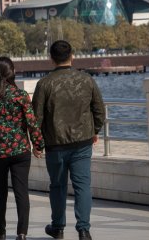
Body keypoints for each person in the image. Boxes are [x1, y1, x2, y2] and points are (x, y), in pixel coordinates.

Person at [32, 41, 105, 240]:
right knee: (82, 186)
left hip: (55, 144)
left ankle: (58, 227)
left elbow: (35, 118)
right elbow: (99, 110)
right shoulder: (87, 80)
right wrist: (94, 130)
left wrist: (36, 143)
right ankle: (83, 230)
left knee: (57, 186)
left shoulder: (44, 84)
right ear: (72, 56)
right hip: (82, 142)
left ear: (51, 58)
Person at [0, 56, 44, 240]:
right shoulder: (21, 96)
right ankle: (22, 233)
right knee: (21, 192)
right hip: (20, 151)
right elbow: (32, 123)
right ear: (13, 72)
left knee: (0, 193)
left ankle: (0, 231)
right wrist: (38, 145)